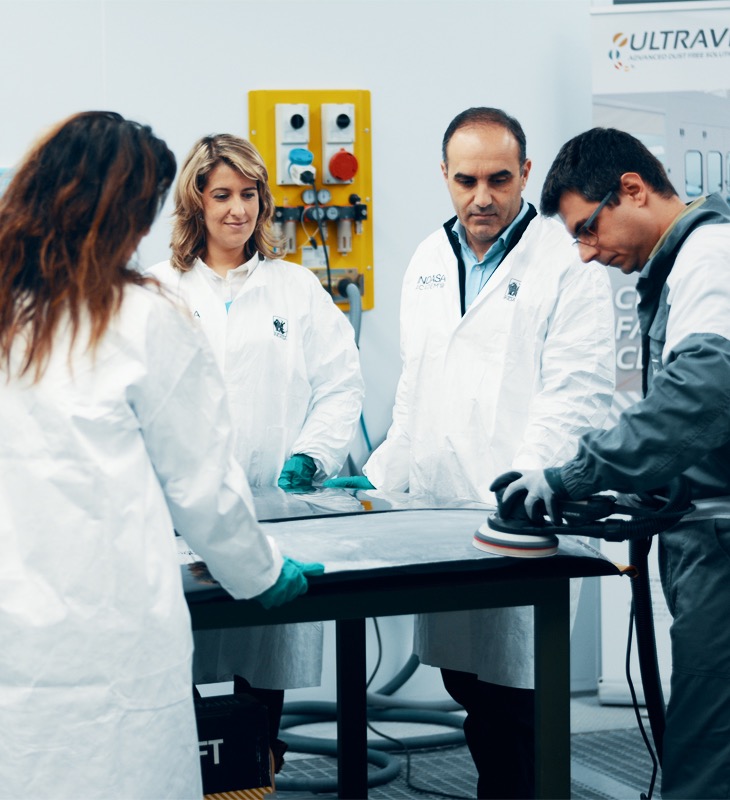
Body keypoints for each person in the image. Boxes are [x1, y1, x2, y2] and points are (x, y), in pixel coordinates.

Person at [0, 111, 323, 800]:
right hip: (113, 630)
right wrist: (263, 571)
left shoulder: (9, 311)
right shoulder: (141, 316)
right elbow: (203, 489)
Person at [328, 107, 615, 798]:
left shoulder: (567, 261)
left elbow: (575, 393)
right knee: (469, 684)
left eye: (498, 179)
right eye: (466, 180)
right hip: (442, 513)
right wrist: (374, 478)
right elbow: (416, 391)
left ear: (526, 172)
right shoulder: (430, 259)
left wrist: (525, 490)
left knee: (520, 696)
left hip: (520, 516)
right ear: (444, 175)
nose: (481, 196)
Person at [498, 127, 730, 800]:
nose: (587, 252)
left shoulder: (708, 259)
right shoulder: (687, 265)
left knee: (706, 759)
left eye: (587, 229)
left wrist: (577, 474)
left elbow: (700, 398)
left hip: (722, 550)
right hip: (705, 540)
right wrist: (634, 491)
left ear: (631, 189)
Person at [147, 133, 363, 771]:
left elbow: (341, 384)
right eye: (222, 195)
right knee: (178, 669)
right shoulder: (158, 289)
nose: (237, 209)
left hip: (274, 510)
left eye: (248, 194)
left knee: (263, 667)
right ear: (196, 201)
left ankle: (261, 764)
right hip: (177, 521)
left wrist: (312, 457)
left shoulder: (294, 288)